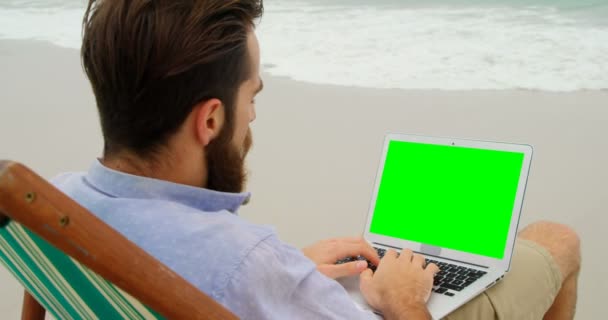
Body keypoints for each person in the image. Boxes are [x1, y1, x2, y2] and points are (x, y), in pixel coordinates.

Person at [52, 0, 581, 319]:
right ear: (210, 121)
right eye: (250, 97)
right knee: (557, 239)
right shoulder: (244, 261)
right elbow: (235, 273)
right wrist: (402, 301)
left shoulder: (55, 204)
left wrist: (287, 275)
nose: (252, 118)